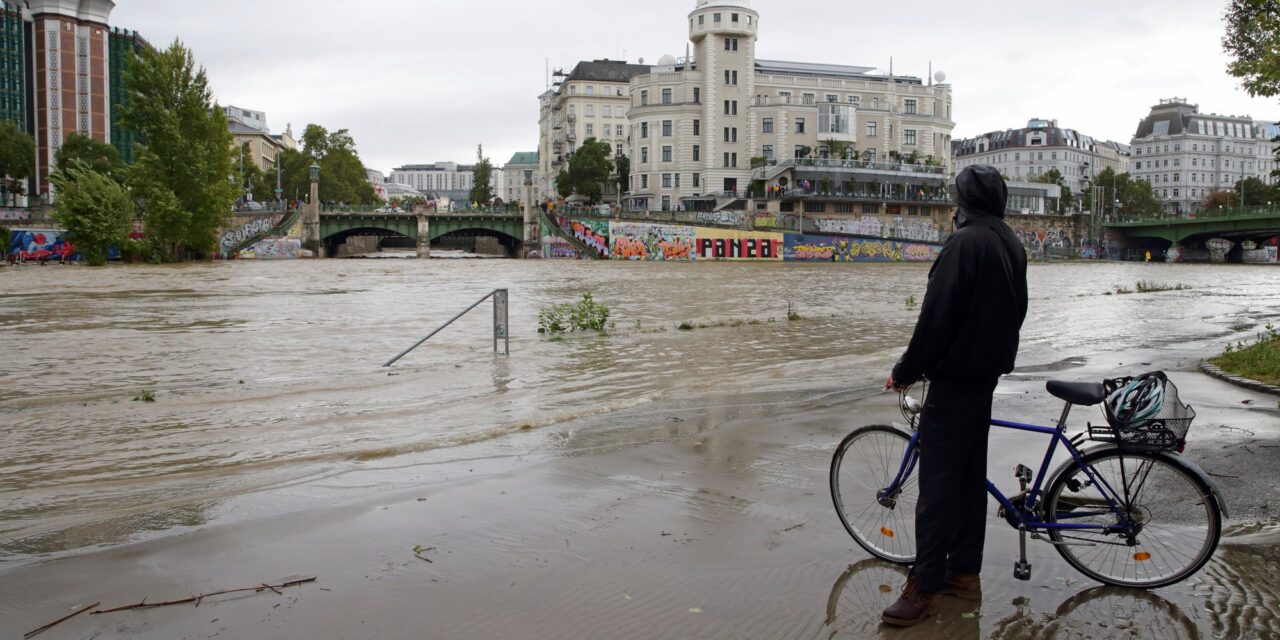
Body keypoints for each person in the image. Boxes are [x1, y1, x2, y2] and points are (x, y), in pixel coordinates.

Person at [880, 165, 1029, 627]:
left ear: (961, 202)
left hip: (955, 380)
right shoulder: (1009, 241)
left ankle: (923, 587)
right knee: (967, 482)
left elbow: (936, 320)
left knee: (938, 489)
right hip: (984, 377)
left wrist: (905, 370)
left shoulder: (964, 244)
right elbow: (1017, 310)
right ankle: (964, 574)